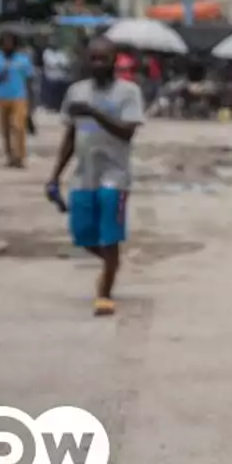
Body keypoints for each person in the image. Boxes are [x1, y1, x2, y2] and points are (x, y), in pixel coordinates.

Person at [47, 37, 146, 316]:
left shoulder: (128, 92)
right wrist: (54, 176)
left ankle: (104, 292)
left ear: (115, 61)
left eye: (103, 58)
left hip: (115, 174)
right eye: (93, 58)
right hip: (83, 174)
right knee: (84, 235)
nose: (98, 64)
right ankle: (112, 263)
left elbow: (127, 132)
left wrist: (94, 112)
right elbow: (70, 135)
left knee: (110, 234)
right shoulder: (76, 92)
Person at [0, 31, 35, 168]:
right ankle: (10, 156)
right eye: (5, 42)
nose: (8, 45)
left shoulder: (22, 59)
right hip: (2, 97)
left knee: (19, 127)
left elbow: (29, 78)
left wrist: (31, 101)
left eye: (11, 42)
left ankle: (19, 156)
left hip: (19, 97)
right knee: (5, 128)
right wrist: (1, 73)